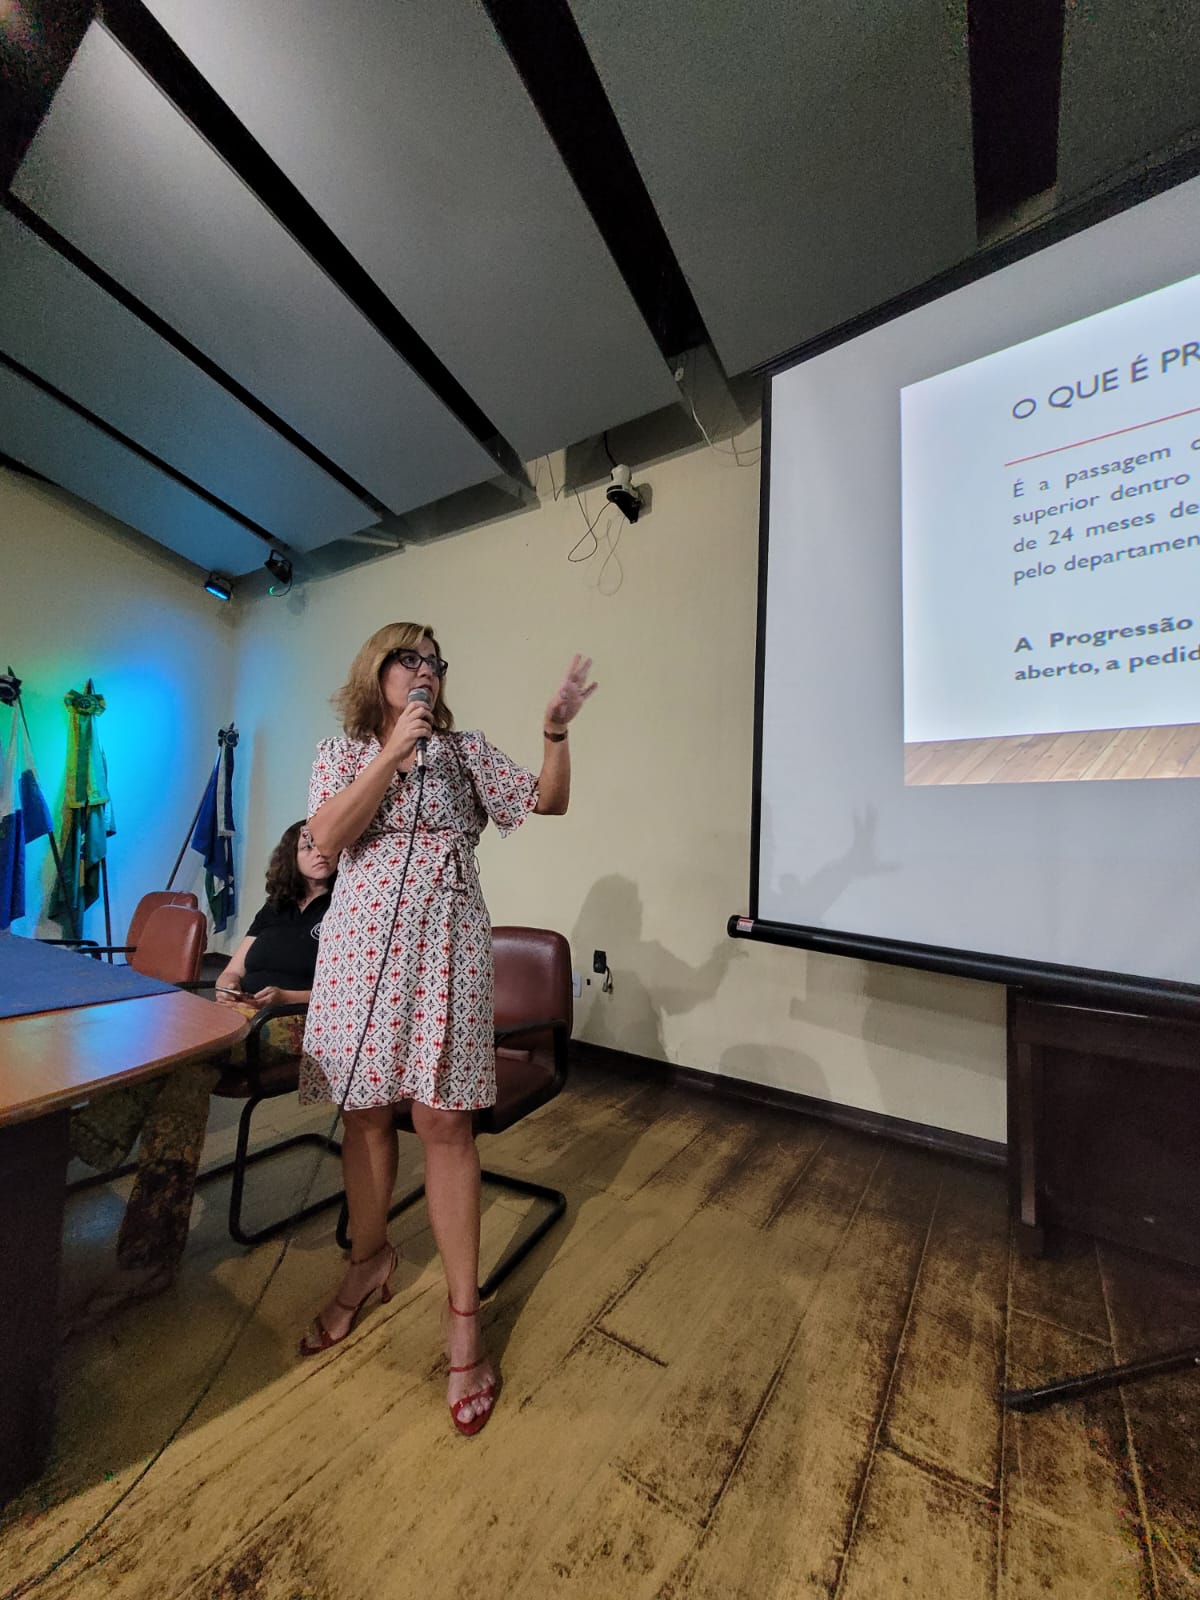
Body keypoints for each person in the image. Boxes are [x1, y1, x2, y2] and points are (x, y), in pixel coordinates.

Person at [298, 622, 596, 1436]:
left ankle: (465, 1319)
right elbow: (326, 838)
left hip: (447, 951)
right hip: (359, 951)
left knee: (443, 1122)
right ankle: (369, 1262)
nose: (426, 670)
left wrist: (555, 732)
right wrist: (391, 751)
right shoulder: (340, 753)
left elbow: (547, 799)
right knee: (364, 1114)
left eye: (435, 662)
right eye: (411, 658)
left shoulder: (464, 753)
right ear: (377, 670)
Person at [70, 821, 337, 1313]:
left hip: (296, 1021)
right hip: (242, 1014)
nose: (319, 852)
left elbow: (346, 989)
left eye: (327, 845)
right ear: (291, 854)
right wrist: (227, 988)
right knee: (183, 1074)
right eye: (307, 844)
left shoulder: (348, 906)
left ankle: (84, 1143)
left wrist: (284, 997)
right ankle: (150, 1255)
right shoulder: (274, 907)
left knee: (178, 1049)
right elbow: (233, 968)